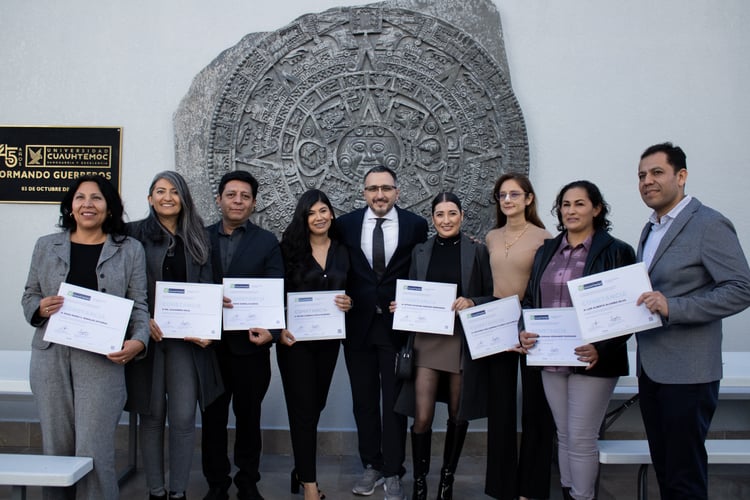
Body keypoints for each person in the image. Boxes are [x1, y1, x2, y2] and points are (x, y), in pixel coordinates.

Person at [21, 175, 150, 500]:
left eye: (96, 198)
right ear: (70, 206)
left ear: (109, 208)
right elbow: (29, 295)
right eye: (80, 198)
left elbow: (140, 306)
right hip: (51, 357)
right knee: (57, 450)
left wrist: (139, 341)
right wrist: (39, 307)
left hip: (101, 361)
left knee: (94, 450)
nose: (88, 204)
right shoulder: (45, 245)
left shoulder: (129, 249)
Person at [634, 142, 750, 499]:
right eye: (641, 175)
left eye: (657, 173)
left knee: (685, 475)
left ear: (681, 176)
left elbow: (741, 288)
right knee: (667, 469)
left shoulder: (708, 223)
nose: (647, 181)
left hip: (689, 372)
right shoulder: (652, 228)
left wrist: (675, 307)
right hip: (652, 368)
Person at [520, 180, 635, 500]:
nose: (571, 211)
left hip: (592, 358)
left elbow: (629, 312)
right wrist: (524, 329)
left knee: (582, 437)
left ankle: (583, 497)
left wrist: (601, 348)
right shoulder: (547, 250)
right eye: (565, 205)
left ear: (597, 209)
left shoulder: (617, 251)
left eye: (579, 204)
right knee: (564, 435)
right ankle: (571, 492)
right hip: (550, 357)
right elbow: (530, 299)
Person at [126, 171, 224, 500]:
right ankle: (156, 490)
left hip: (187, 344)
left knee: (183, 417)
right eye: (160, 191)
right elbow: (120, 287)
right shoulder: (132, 235)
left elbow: (210, 287)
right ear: (150, 198)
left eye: (175, 192)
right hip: (148, 342)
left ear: (184, 199)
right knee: (152, 416)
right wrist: (138, 320)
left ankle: (178, 491)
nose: (167, 197)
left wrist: (211, 321)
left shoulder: (199, 238)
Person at [393, 192, 494, 500]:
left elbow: (492, 295)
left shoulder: (477, 251)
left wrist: (472, 301)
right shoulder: (420, 251)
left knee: (457, 413)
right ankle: (420, 481)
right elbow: (412, 291)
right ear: (432, 218)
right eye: (440, 214)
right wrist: (402, 306)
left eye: (452, 213)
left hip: (461, 341)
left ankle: (446, 480)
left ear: (462, 216)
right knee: (421, 416)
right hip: (427, 339)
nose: (446, 220)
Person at [336, 165, 428, 500]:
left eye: (386, 188)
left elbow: (423, 270)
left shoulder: (416, 226)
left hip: (396, 330)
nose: (380, 194)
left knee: (394, 403)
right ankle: (370, 465)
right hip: (357, 327)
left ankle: (393, 470)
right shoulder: (344, 225)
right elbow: (335, 267)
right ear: (364, 193)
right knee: (363, 402)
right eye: (373, 188)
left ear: (397, 192)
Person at [201, 170, 284, 500]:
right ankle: (217, 485)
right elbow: (188, 283)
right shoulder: (199, 237)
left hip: (251, 349)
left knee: (249, 421)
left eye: (245, 196)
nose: (238, 201)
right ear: (219, 198)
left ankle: (248, 484)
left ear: (253, 203)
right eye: (231, 194)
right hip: (209, 348)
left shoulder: (267, 242)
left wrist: (274, 333)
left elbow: (277, 290)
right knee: (213, 421)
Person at [277, 189, 353, 500]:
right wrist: (278, 328)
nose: (319, 217)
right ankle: (310, 485)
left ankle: (300, 467)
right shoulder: (288, 249)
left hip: (328, 342)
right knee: (303, 410)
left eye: (324, 211)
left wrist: (350, 301)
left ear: (332, 214)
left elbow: (353, 290)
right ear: (303, 218)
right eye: (312, 213)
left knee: (315, 405)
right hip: (294, 343)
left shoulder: (343, 250)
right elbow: (273, 293)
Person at [483, 173, 554, 500]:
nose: (507, 200)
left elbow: (547, 286)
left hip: (531, 326)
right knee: (500, 409)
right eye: (502, 195)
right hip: (497, 325)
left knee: (535, 409)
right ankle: (502, 487)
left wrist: (532, 323)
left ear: (528, 199)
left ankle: (531, 487)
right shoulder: (491, 237)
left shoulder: (545, 238)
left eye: (514, 194)